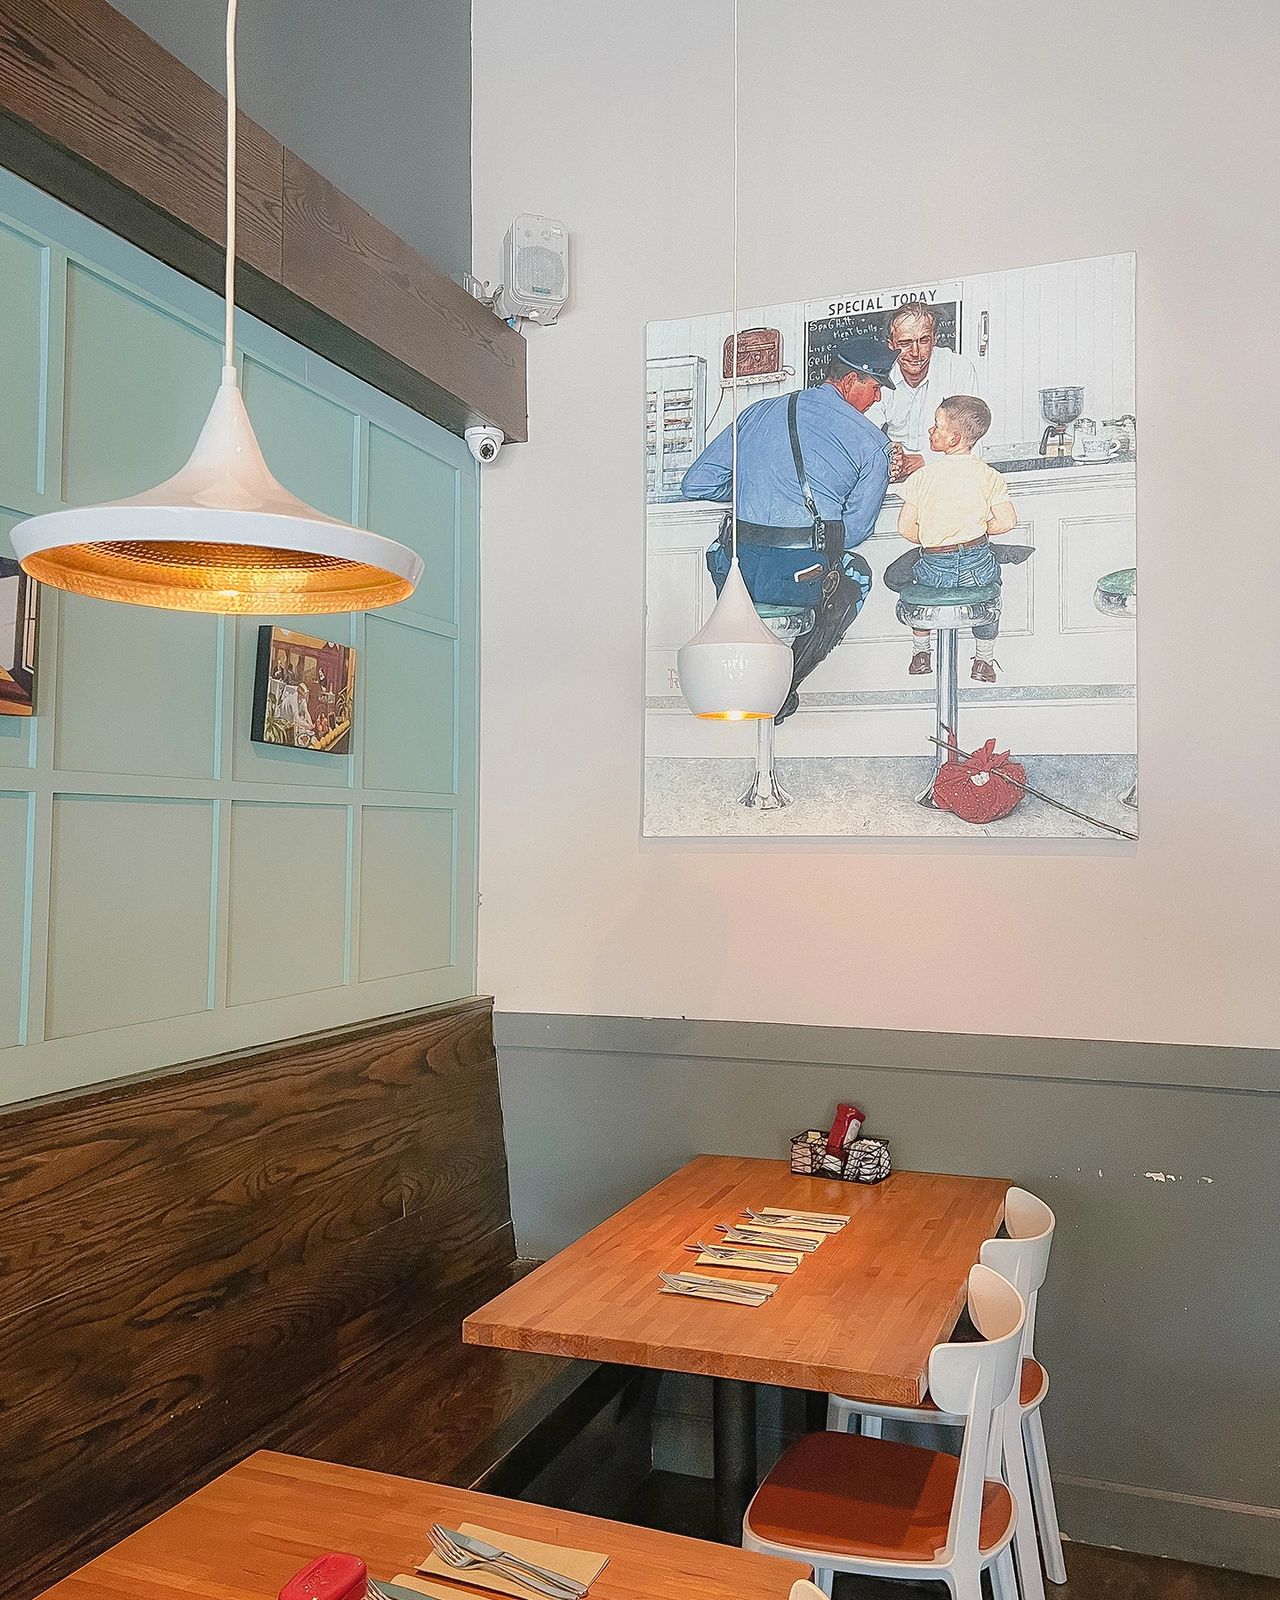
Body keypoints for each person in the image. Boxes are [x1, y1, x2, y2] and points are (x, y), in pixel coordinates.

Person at [680, 335, 894, 720]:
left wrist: (757, 486)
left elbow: (696, 483)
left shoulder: (756, 412)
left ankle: (758, 685)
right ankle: (781, 687)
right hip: (798, 579)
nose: (877, 399)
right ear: (850, 382)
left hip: (735, 573)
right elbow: (855, 532)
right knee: (855, 575)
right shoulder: (873, 443)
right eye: (875, 387)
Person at [888, 395, 1019, 684]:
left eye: (937, 426)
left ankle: (921, 653)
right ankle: (984, 659)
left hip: (935, 568)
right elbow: (1008, 521)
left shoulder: (923, 477)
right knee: (992, 588)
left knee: (914, 582)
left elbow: (905, 528)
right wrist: (976, 529)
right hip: (976, 565)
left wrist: (936, 535)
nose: (930, 431)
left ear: (953, 438)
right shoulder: (989, 475)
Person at [872, 301, 981, 482]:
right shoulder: (878, 376)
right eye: (905, 343)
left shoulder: (958, 368)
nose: (916, 352)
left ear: (935, 339)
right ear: (890, 345)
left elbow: (974, 443)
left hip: (948, 477)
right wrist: (889, 458)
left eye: (923, 340)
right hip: (895, 477)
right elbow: (862, 435)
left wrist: (922, 461)